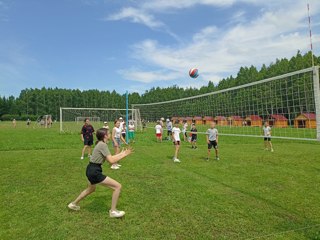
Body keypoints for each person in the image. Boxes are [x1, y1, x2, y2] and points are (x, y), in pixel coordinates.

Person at [68, 128, 133, 218]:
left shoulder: (101, 144)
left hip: (90, 169)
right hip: (94, 171)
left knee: (90, 189)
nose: (110, 134)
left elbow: (110, 157)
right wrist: (125, 154)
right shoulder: (102, 145)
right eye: (109, 133)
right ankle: (113, 211)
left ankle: (73, 204)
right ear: (105, 136)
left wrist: (122, 154)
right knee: (117, 186)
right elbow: (111, 161)